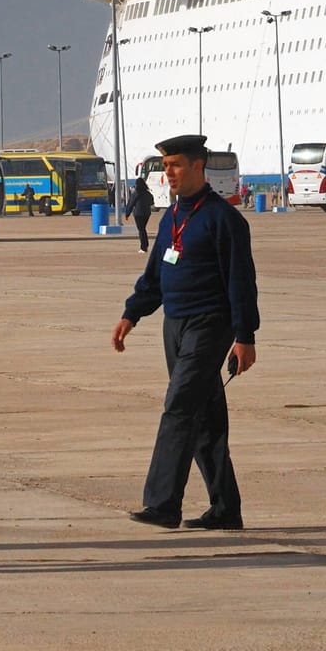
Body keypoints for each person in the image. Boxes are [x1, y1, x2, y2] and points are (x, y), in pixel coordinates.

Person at [111, 134, 259, 531]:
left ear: (198, 165)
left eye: (175, 165)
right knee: (205, 420)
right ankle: (226, 509)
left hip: (210, 325)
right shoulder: (171, 217)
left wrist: (245, 337)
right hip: (174, 326)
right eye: (165, 166)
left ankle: (162, 503)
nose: (169, 173)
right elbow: (155, 277)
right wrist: (131, 315)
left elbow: (241, 282)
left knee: (178, 407)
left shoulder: (224, 220)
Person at [127, 170, 155, 254]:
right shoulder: (148, 193)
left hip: (138, 214)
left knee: (141, 230)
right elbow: (151, 202)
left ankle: (144, 247)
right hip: (147, 213)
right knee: (143, 229)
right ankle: (145, 245)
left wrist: (127, 213)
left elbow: (131, 204)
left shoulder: (136, 193)